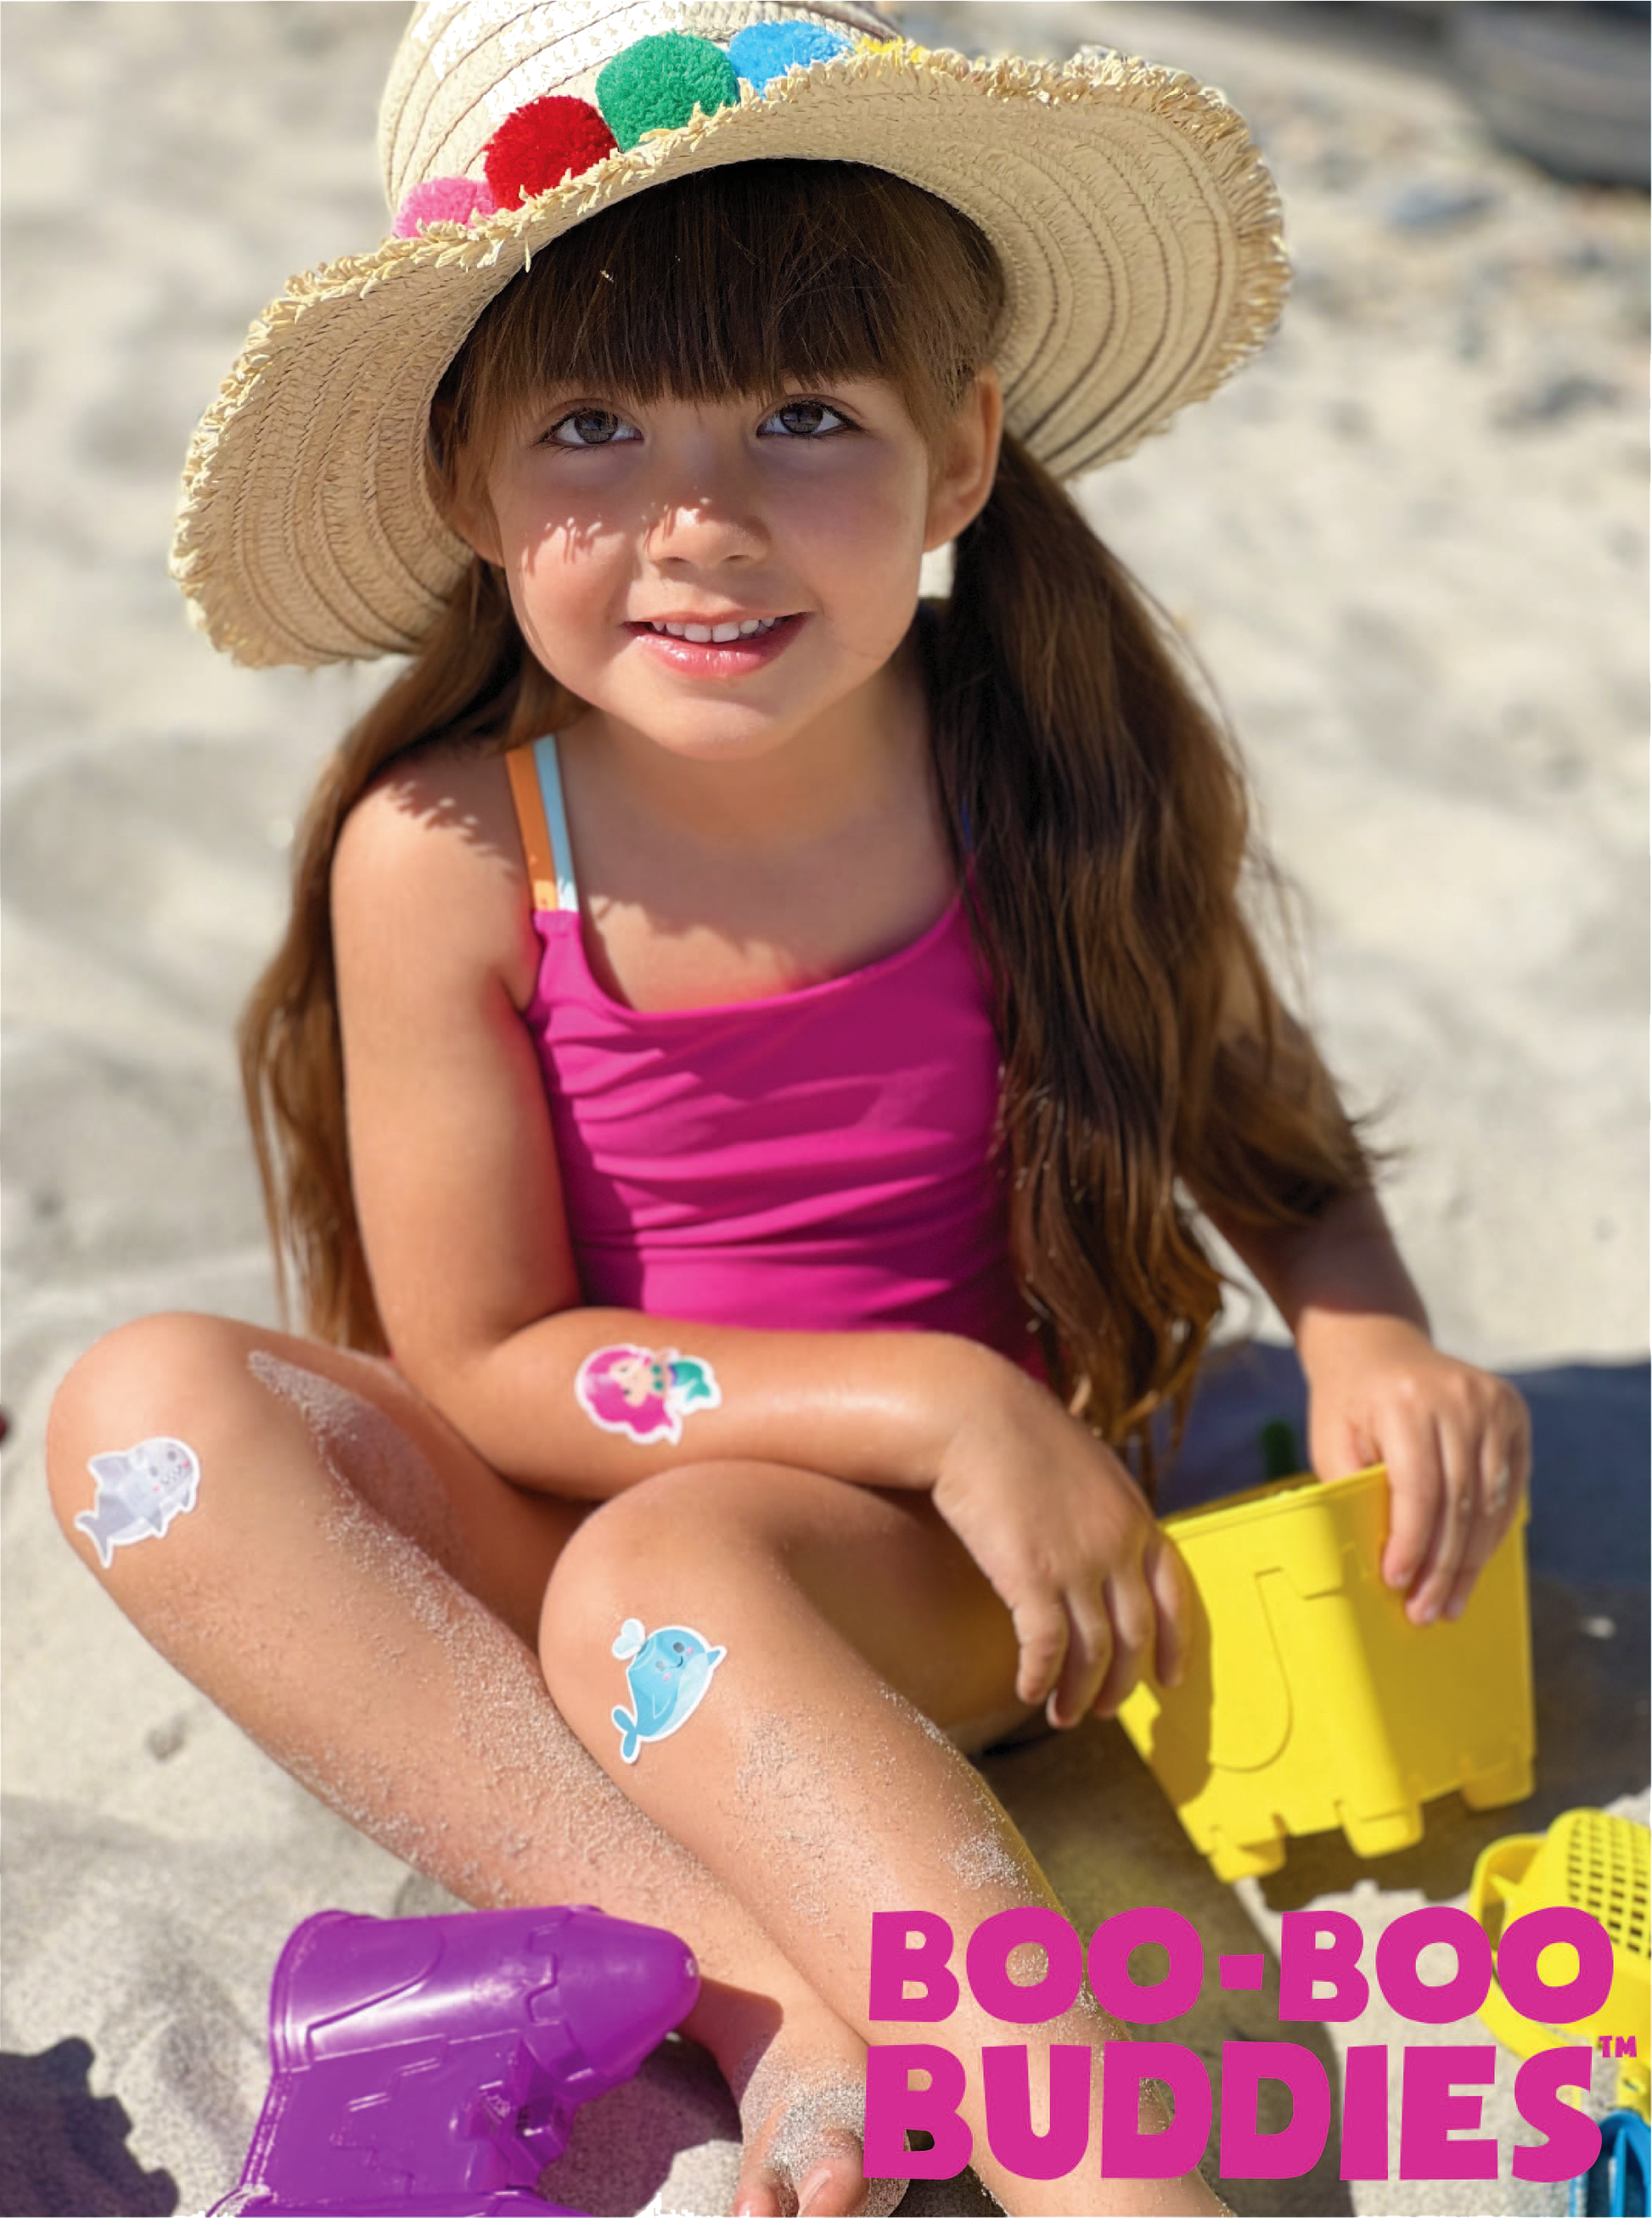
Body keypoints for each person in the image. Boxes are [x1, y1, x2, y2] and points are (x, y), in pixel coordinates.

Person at [45, 3, 1532, 2211]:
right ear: (469, 487)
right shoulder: (450, 851)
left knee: (676, 1560)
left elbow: (1267, 1133)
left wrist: (1362, 1321)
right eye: (594, 424)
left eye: (806, 414)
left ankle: (1095, 2156)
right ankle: (763, 1974)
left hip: (958, 1556)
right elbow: (477, 1366)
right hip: (695, 1477)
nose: (700, 519)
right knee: (140, 1409)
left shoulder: (1027, 771)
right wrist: (922, 1393)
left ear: (958, 457)